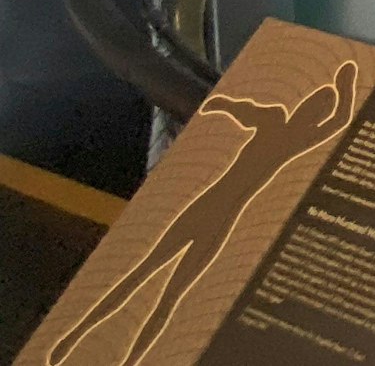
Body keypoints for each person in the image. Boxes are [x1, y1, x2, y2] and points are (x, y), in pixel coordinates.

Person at [49, 62, 359, 366]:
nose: (311, 110)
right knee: (142, 279)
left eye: (316, 108)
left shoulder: (288, 132)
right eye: (314, 105)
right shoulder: (283, 127)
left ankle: (122, 356)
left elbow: (330, 118)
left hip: (218, 217)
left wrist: (343, 84)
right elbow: (243, 106)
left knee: (165, 295)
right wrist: (344, 84)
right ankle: (73, 340)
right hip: (212, 211)